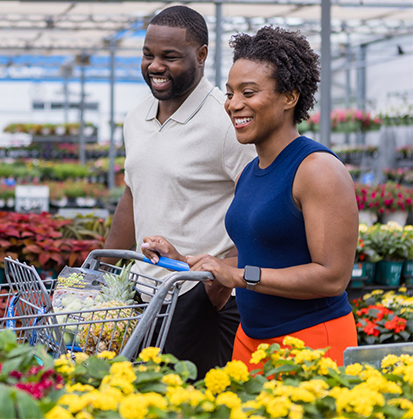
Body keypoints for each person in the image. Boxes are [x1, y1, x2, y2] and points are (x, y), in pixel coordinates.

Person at [142, 26, 359, 369]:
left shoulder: (317, 169)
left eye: (249, 92)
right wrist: (185, 260)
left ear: (290, 97)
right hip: (251, 340)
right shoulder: (250, 172)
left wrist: (241, 278)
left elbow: (333, 277)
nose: (233, 105)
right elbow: (254, 256)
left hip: (310, 341)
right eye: (230, 93)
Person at [103, 5, 256, 378]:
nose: (155, 66)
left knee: (198, 399)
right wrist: (101, 276)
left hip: (203, 295)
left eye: (170, 57)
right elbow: (132, 194)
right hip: (146, 292)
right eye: (148, 55)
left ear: (201, 56)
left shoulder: (226, 120)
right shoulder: (136, 116)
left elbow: (257, 203)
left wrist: (221, 285)